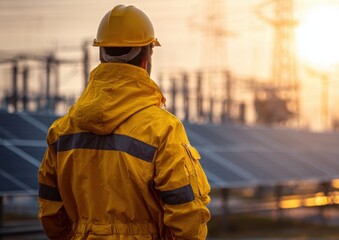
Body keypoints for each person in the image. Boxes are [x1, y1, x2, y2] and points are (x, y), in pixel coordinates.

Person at [38, 5, 211, 240]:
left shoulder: (61, 132)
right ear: (146, 56)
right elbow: (188, 218)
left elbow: (51, 216)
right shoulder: (163, 129)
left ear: (101, 55)